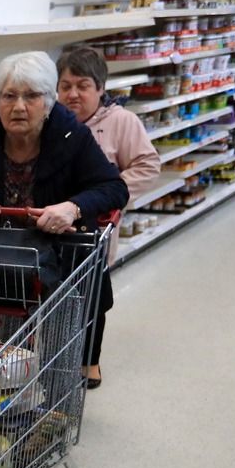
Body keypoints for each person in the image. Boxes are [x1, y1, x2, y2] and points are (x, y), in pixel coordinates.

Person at [0, 51, 127, 387]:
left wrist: (71, 208)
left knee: (61, 335)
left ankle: (54, 401)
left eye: (31, 96)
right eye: (9, 96)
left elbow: (113, 188)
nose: (19, 106)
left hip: (58, 256)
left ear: (48, 101)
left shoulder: (72, 137)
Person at [57, 46, 161, 388]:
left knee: (92, 296)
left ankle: (90, 362)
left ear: (100, 88)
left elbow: (147, 166)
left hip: (95, 227)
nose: (73, 94)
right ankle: (51, 358)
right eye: (65, 85)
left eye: (82, 85)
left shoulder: (121, 122)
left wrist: (108, 193)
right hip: (52, 223)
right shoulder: (51, 121)